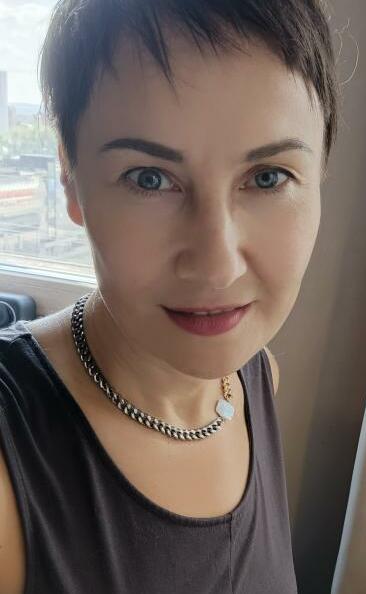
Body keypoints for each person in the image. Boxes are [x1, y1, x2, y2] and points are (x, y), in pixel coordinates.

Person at [0, 0, 339, 592]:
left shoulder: (256, 378)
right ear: (71, 180)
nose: (216, 266)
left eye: (268, 177)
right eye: (149, 178)